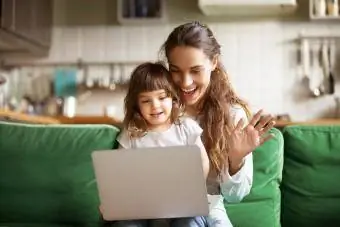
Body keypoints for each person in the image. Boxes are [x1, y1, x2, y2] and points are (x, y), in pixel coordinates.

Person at [159, 21, 276, 227]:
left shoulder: (231, 115)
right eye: (175, 70)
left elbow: (235, 197)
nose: (185, 82)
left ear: (214, 62)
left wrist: (236, 160)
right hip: (159, 210)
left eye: (195, 70)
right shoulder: (159, 110)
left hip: (207, 211)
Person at [111, 62, 210, 227]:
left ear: (173, 97)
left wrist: (194, 187)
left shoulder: (186, 128)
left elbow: (203, 161)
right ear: (137, 105)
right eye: (146, 100)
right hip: (141, 208)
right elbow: (120, 174)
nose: (155, 105)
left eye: (162, 97)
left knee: (190, 223)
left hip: (182, 206)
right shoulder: (131, 134)